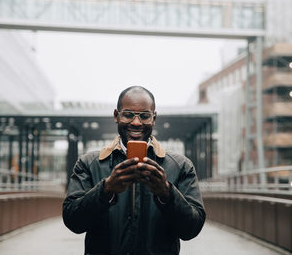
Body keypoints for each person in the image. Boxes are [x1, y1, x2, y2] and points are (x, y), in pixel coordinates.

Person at [63, 86, 206, 255]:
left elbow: (192, 229)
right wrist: (106, 189)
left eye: (144, 116)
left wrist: (167, 194)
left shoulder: (181, 166)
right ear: (116, 116)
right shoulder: (88, 163)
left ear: (154, 119)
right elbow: (73, 221)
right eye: (128, 114)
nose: (136, 123)